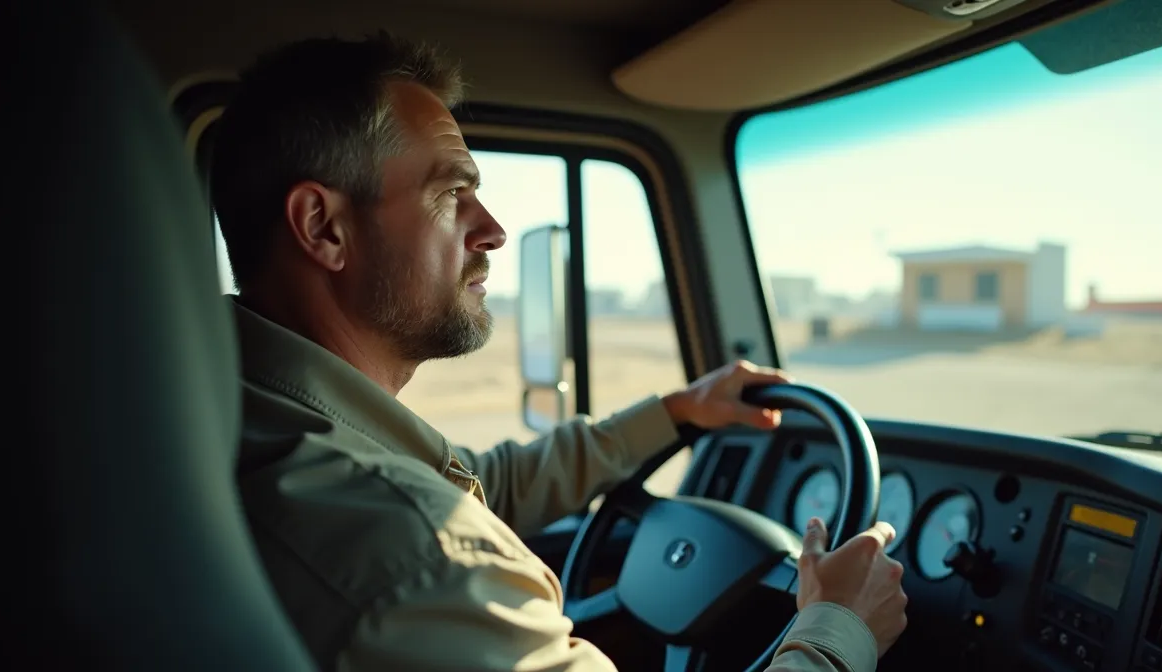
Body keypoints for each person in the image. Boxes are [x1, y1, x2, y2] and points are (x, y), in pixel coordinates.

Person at [209, 32, 907, 672]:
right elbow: (438, 525)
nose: (494, 230)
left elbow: (484, 488)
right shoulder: (419, 561)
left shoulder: (240, 410)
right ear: (323, 227)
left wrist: (678, 411)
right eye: (452, 192)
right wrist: (834, 629)